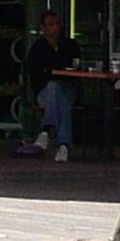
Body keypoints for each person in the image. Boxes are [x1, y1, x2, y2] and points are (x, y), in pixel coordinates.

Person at [14, 10, 73, 162]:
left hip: (68, 89)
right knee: (57, 93)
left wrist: (52, 71)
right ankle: (63, 145)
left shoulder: (69, 45)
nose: (55, 28)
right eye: (50, 25)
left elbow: (74, 66)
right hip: (44, 93)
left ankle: (46, 131)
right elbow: (36, 74)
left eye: (57, 24)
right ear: (43, 28)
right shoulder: (37, 48)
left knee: (60, 93)